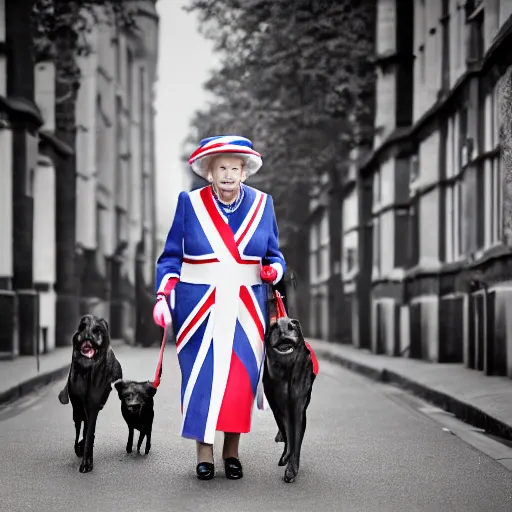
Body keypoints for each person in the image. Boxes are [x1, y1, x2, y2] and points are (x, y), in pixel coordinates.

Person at [153, 135, 286, 481]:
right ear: (209, 173)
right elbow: (170, 258)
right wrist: (163, 294)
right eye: (221, 168)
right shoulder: (190, 204)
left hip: (246, 307)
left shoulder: (263, 204)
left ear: (244, 173)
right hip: (198, 309)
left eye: (234, 168)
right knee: (203, 377)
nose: (228, 175)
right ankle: (204, 452)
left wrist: (275, 269)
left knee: (239, 380)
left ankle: (232, 451)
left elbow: (274, 254)